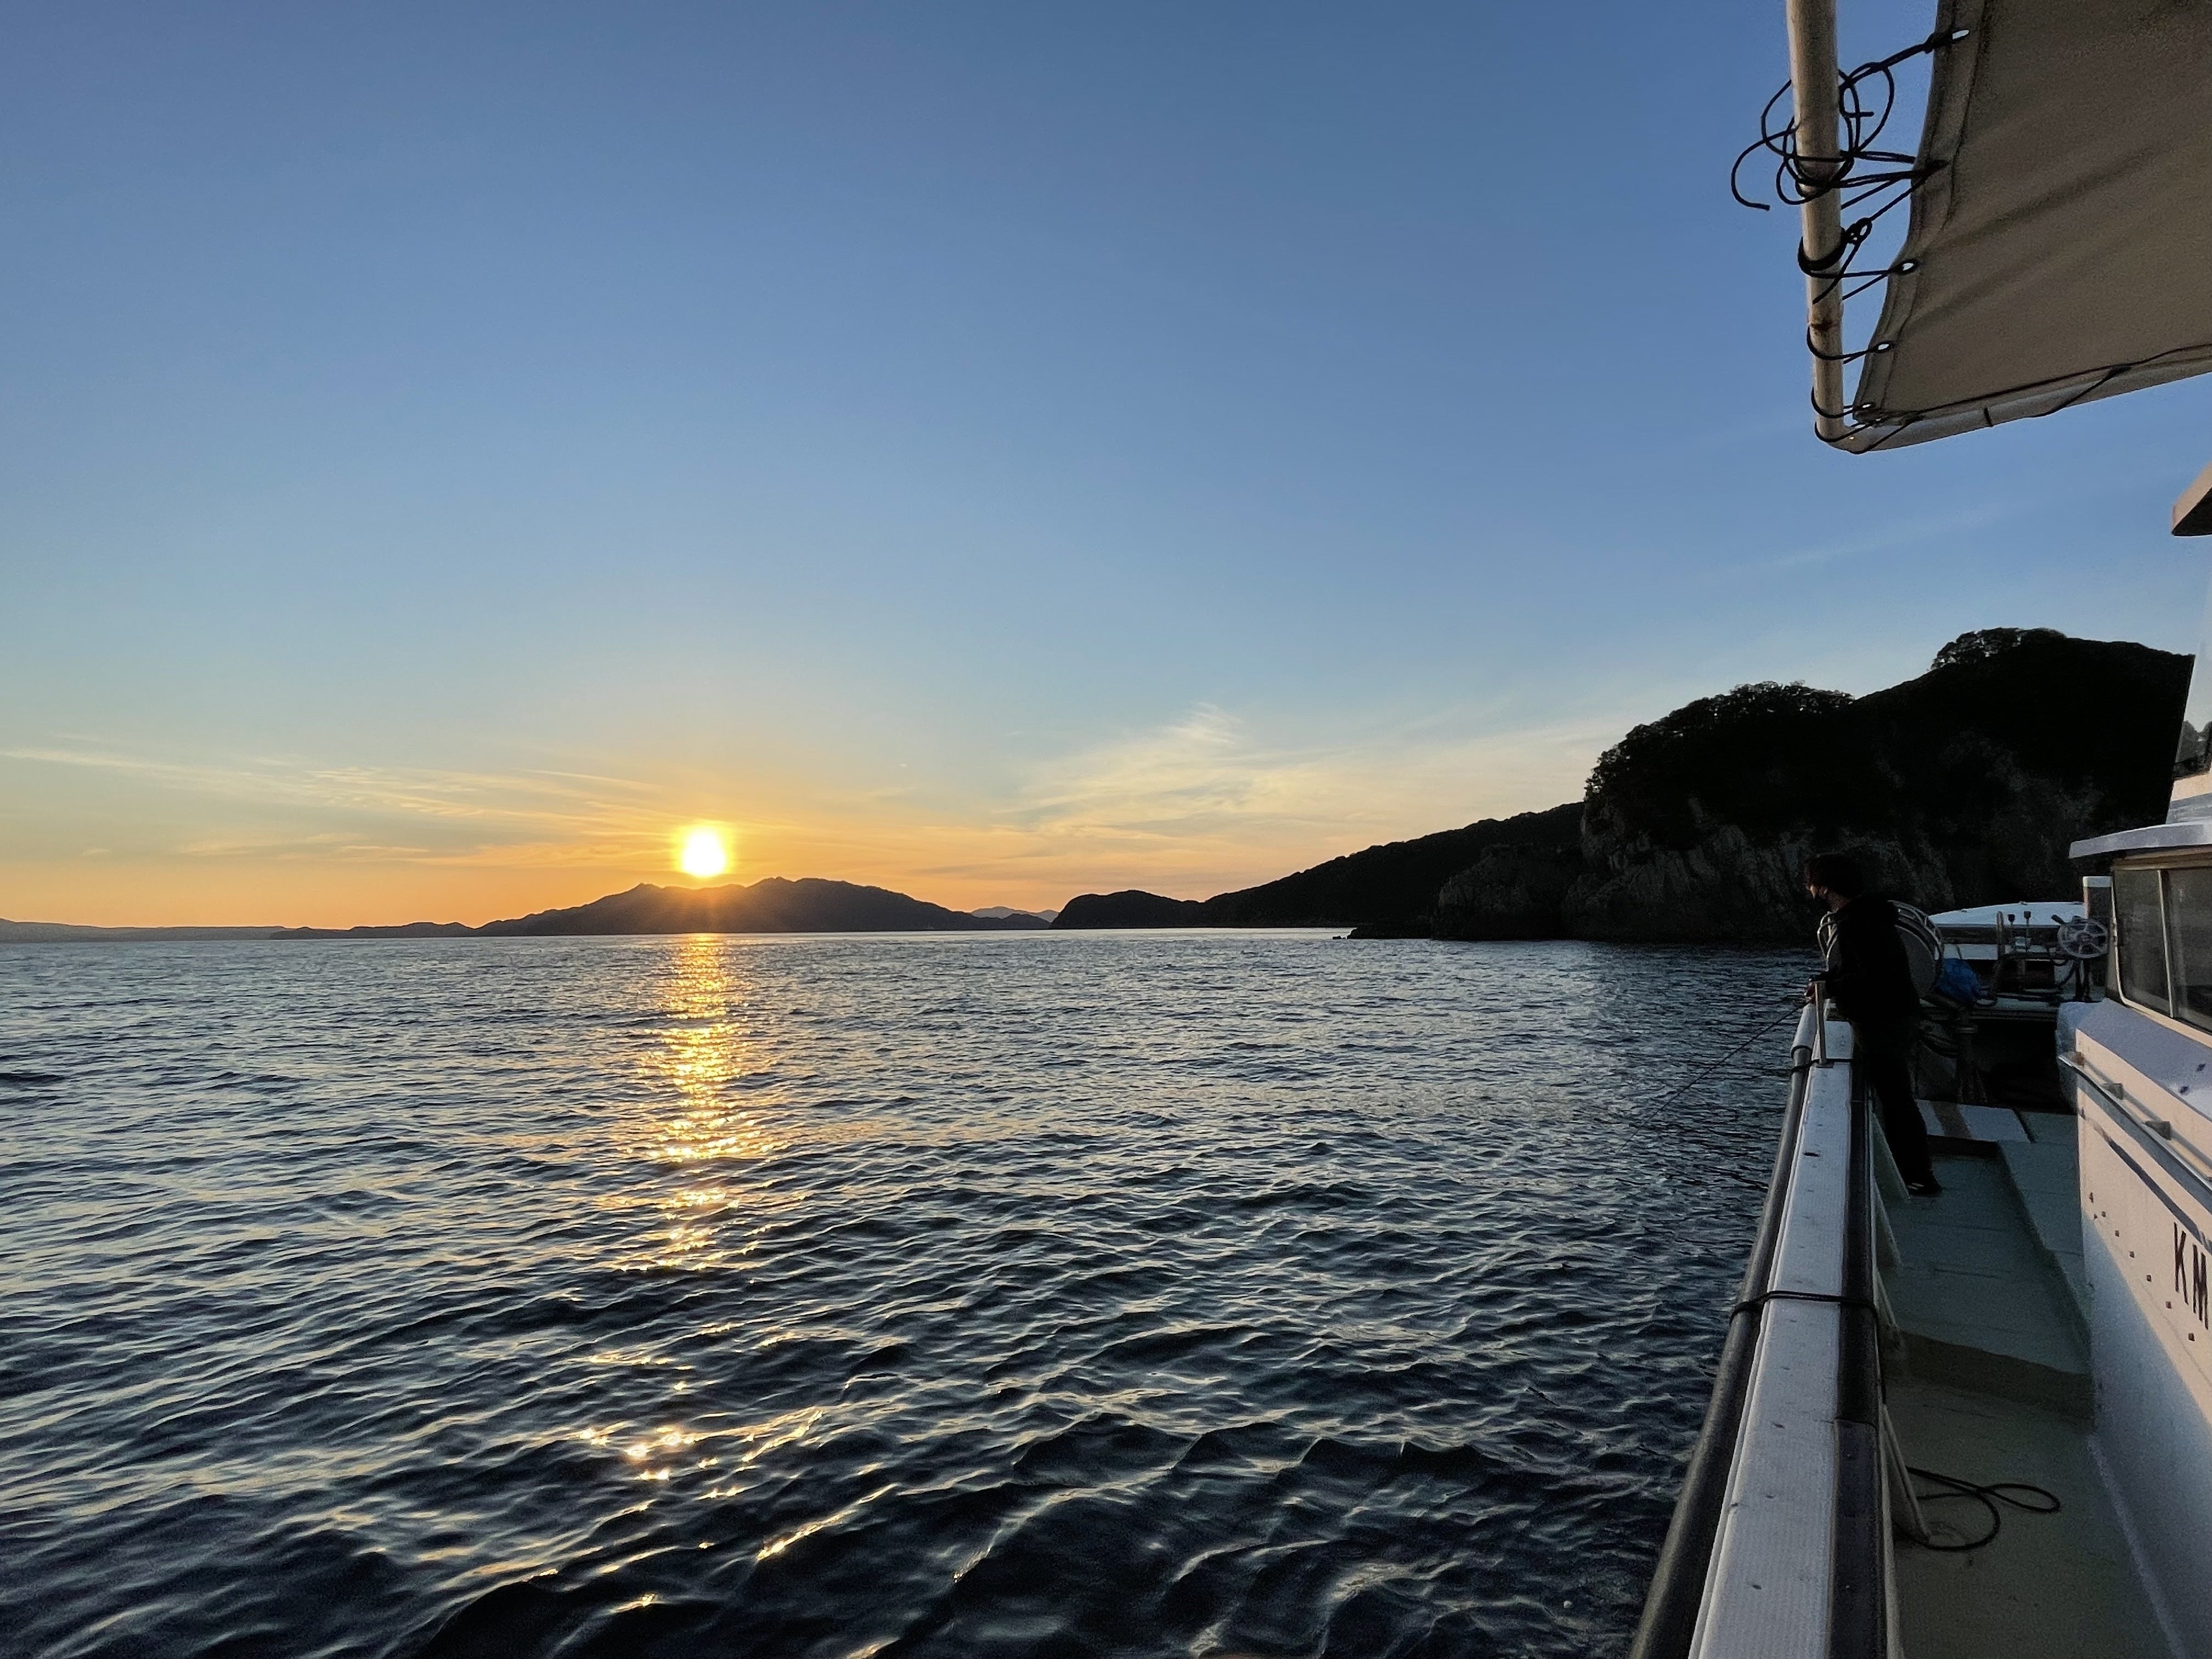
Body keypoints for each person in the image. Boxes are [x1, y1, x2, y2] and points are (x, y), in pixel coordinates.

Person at [1804, 851, 1941, 1196]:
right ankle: (1912, 1171)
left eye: (1811, 883)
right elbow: (1857, 967)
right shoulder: (1866, 916)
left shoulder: (1857, 923)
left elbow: (1875, 976)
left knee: (1896, 1100)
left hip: (1884, 1020)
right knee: (1896, 1098)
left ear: (1824, 887)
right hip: (1894, 1015)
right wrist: (1826, 980)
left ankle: (1919, 1176)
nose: (1809, 890)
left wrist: (1831, 988)